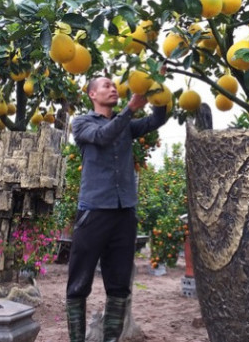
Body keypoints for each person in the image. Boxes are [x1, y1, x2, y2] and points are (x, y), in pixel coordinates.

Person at [66, 76, 168, 342]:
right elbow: (102, 137)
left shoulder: (125, 125)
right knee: (78, 284)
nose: (113, 89)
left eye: (115, 85)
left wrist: (157, 90)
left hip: (124, 212)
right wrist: (130, 109)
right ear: (92, 94)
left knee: (119, 285)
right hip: (94, 211)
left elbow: (156, 121)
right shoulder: (81, 123)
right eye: (106, 85)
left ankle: (111, 339)